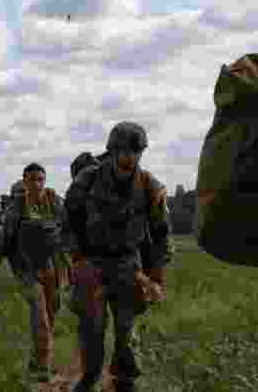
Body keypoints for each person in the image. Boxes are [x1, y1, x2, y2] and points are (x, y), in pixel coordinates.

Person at [63, 122, 174, 392]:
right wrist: (78, 260)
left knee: (126, 329)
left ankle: (124, 380)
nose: (131, 157)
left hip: (129, 264)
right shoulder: (86, 180)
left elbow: (161, 234)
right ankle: (90, 376)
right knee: (93, 327)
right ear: (113, 151)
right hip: (92, 264)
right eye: (125, 151)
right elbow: (67, 223)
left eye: (137, 151)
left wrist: (156, 276)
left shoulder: (150, 185)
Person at [0, 163, 69, 383]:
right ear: (24, 181)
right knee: (40, 317)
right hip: (27, 270)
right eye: (32, 180)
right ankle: (43, 369)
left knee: (51, 312)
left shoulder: (54, 202)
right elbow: (5, 242)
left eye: (40, 179)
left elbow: (68, 226)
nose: (37, 184)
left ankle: (37, 360)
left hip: (51, 268)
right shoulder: (16, 208)